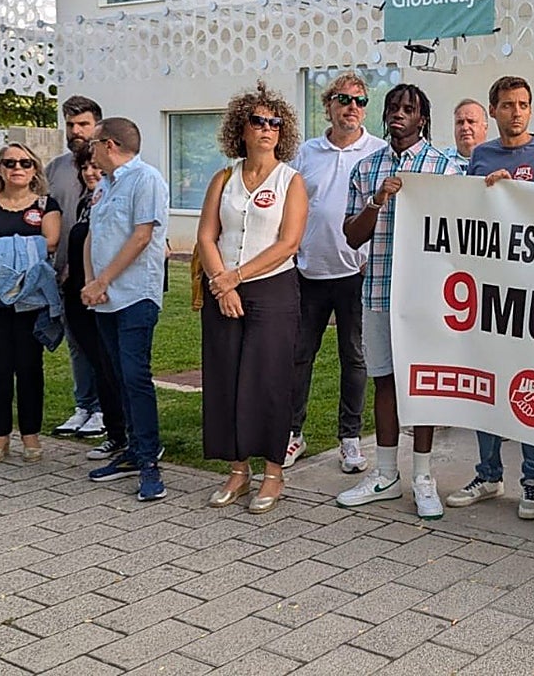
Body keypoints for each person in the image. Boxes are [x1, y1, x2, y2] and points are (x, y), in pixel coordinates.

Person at [446, 76, 534, 521]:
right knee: (487, 383)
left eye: (523, 105)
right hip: (489, 291)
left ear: (531, 110)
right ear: (493, 112)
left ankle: (532, 481)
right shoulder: (481, 157)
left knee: (531, 383)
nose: (516, 112)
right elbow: (468, 217)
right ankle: (489, 473)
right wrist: (488, 192)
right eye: (507, 105)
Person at [335, 84, 462, 520]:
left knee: (423, 384)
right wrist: (377, 201)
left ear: (422, 118)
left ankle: (423, 476)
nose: (398, 115)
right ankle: (386, 474)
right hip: (379, 291)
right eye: (393, 108)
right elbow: (352, 236)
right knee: (384, 379)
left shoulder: (445, 167)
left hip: (427, 296)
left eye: (408, 109)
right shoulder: (367, 168)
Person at [198, 82, 308, 514]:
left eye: (274, 122)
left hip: (272, 290)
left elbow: (289, 243)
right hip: (222, 286)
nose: (266, 129)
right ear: (240, 129)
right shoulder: (223, 178)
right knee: (225, 378)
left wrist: (236, 278)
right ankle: (237, 471)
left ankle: (273, 474)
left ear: (283, 132)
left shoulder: (291, 180)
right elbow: (207, 235)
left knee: (267, 381)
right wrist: (221, 282)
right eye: (257, 121)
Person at [287, 72, 386, 474]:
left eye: (360, 101)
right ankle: (293, 433)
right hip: (309, 270)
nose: (352, 107)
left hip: (356, 272)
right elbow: (290, 207)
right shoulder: (306, 153)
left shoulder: (377, 151)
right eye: (343, 99)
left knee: (355, 357)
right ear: (328, 104)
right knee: (299, 356)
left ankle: (350, 439)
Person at [82, 117, 170, 502]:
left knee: (135, 376)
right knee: (117, 376)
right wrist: (91, 283)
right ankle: (133, 451)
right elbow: (92, 235)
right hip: (104, 298)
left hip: (135, 295)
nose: (91, 151)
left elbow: (141, 236)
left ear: (111, 144)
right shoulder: (105, 184)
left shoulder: (145, 179)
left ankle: (150, 461)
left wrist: (105, 281)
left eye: (94, 143)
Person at [0, 143, 62, 464]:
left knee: (30, 367)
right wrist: (8, 261)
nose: (18, 167)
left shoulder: (47, 205)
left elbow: (51, 242)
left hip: (32, 301)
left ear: (35, 169)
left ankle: (30, 435)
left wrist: (0, 255)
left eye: (25, 162)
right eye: (10, 163)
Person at [61, 145, 127, 462]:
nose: (90, 172)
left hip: (107, 295)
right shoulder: (90, 203)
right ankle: (113, 433)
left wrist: (99, 283)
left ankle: (122, 432)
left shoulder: (116, 200)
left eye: (95, 166)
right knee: (99, 365)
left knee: (113, 366)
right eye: (85, 167)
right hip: (80, 295)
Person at [47, 95, 107, 438]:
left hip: (100, 275)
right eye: (70, 124)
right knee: (76, 344)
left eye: (83, 124)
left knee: (99, 343)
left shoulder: (111, 167)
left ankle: (103, 409)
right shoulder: (56, 168)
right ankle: (83, 406)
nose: (75, 130)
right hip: (64, 275)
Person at [447, 98, 489, 171]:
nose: (465, 127)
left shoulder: (497, 159)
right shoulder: (441, 160)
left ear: (485, 127)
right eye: (460, 122)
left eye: (471, 121)